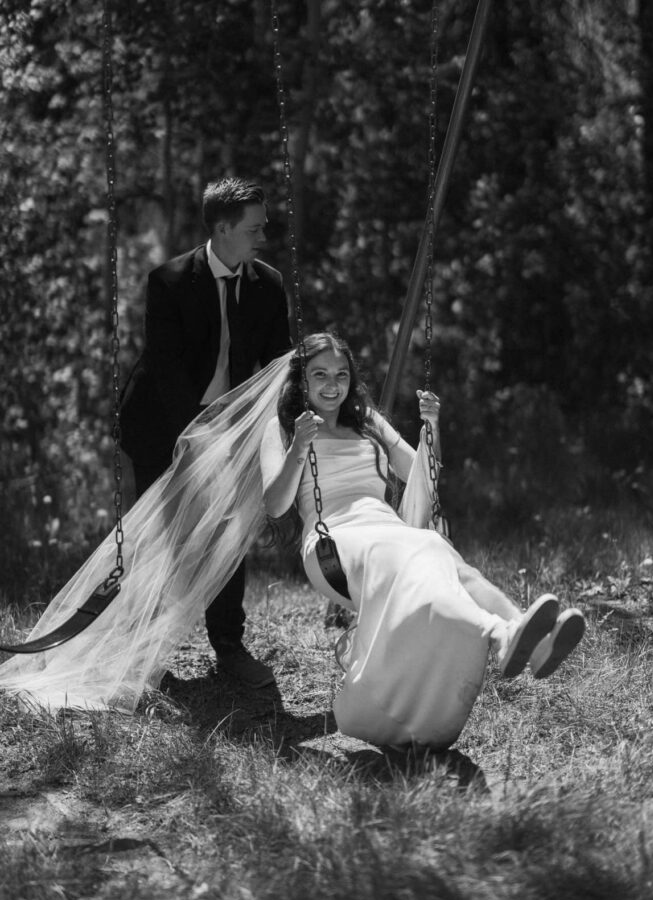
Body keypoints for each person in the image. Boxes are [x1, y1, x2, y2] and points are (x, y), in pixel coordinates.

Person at [259, 333, 586, 751]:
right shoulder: (283, 429)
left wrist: (432, 428)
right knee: (423, 546)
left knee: (444, 556)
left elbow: (421, 472)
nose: (331, 385)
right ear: (300, 381)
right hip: (335, 542)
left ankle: (519, 638)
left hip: (387, 529)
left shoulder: (367, 422)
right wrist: (299, 447)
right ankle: (501, 633)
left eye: (341, 375)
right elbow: (275, 503)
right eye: (319, 375)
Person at [120, 176, 291, 688]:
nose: (263, 236)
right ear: (222, 228)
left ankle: (230, 649)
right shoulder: (168, 281)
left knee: (230, 532)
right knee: (161, 539)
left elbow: (278, 366)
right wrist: (194, 437)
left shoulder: (270, 284)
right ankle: (145, 655)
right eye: (254, 228)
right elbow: (166, 369)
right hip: (160, 426)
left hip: (233, 429)